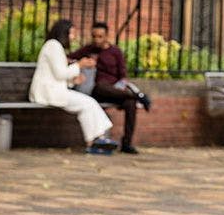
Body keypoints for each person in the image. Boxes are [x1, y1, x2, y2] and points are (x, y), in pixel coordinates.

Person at [29, 19, 119, 155]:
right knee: (88, 103)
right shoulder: (53, 46)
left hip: (56, 90)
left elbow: (58, 75)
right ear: (63, 33)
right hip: (48, 93)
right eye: (71, 33)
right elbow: (60, 74)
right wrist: (80, 65)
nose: (73, 37)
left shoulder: (55, 46)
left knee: (87, 105)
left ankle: (96, 140)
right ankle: (97, 140)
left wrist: (73, 81)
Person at [70, 21, 148, 155]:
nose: (96, 40)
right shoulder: (88, 50)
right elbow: (69, 58)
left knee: (130, 104)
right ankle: (138, 96)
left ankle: (127, 144)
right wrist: (82, 65)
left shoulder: (115, 52)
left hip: (115, 91)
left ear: (106, 36)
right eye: (94, 36)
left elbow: (123, 76)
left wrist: (120, 87)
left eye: (100, 36)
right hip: (97, 90)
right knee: (101, 86)